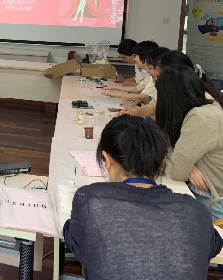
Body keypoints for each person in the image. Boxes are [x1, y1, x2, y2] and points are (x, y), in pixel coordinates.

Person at [63, 115, 222, 280]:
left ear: (107, 159)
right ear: (162, 164)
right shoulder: (195, 210)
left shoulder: (90, 199)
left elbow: (74, 238)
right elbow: (212, 245)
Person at [155, 66, 223, 220]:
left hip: (213, 202)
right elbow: (174, 149)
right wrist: (190, 166)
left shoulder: (200, 117)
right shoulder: (206, 106)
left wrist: (186, 166)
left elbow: (177, 172)